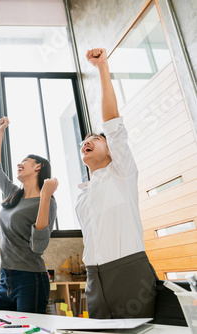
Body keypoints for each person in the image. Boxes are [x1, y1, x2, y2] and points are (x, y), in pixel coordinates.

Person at [76, 48, 157, 319]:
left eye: (95, 139)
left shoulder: (122, 172)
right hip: (93, 278)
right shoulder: (82, 196)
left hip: (129, 271)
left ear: (111, 150)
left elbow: (112, 122)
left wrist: (102, 68)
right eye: (83, 141)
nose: (86, 142)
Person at [0, 117, 58, 313]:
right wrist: (0, 132)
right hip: (5, 278)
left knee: (28, 330)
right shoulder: (13, 194)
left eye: (25, 161)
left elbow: (39, 246)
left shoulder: (47, 202)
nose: (19, 163)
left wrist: (45, 196)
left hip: (31, 279)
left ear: (38, 167)